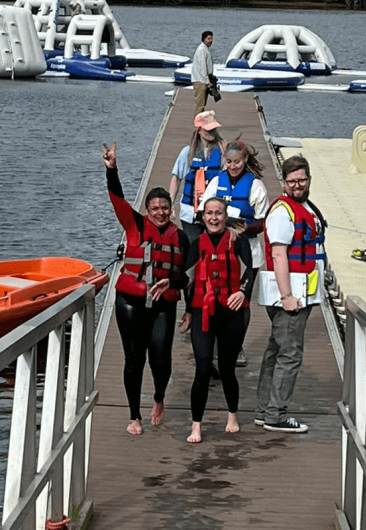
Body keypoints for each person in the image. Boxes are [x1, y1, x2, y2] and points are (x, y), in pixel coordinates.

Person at [102, 141, 190, 436]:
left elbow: (185, 279)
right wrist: (112, 169)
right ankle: (134, 415)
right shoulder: (134, 225)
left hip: (163, 303)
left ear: (171, 209)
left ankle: (159, 398)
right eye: (155, 209)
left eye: (165, 208)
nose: (160, 213)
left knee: (161, 359)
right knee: (134, 357)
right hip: (129, 300)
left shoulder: (181, 238)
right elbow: (116, 198)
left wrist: (179, 294)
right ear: (147, 210)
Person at [256, 155, 327, 433]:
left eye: (302, 180)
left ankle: (265, 410)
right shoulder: (283, 212)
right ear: (283, 182)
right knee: (290, 354)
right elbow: (278, 254)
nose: (297, 185)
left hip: (302, 292)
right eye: (292, 181)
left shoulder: (305, 206)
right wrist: (286, 296)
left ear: (309, 179)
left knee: (276, 350)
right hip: (290, 296)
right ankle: (276, 414)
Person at [181, 197, 255, 443]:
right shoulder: (195, 244)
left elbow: (250, 271)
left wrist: (242, 292)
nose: (214, 218)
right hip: (203, 312)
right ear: (203, 218)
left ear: (225, 217)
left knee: (227, 368)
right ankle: (196, 426)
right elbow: (186, 280)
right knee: (202, 369)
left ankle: (232, 415)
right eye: (209, 214)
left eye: (218, 214)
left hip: (231, 312)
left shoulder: (238, 241)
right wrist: (188, 310)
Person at [199, 138, 269, 367]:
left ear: (245, 160)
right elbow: (204, 213)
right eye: (228, 161)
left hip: (248, 254)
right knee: (216, 296)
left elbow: (263, 221)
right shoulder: (216, 181)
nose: (233, 166)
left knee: (241, 302)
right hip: (218, 252)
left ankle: (237, 346)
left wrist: (246, 228)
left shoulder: (255, 185)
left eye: (237, 161)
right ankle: (215, 346)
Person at [169, 110, 225, 242]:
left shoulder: (222, 152)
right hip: (189, 211)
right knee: (193, 247)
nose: (211, 132)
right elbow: (176, 178)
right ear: (199, 130)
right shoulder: (187, 152)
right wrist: (171, 203)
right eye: (207, 129)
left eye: (213, 129)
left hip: (213, 212)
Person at [191, 31, 214, 116]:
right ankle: (198, 125)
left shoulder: (205, 50)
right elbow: (202, 67)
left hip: (202, 80)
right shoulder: (201, 50)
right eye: (208, 38)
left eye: (211, 38)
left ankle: (201, 124)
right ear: (203, 39)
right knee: (200, 105)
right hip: (200, 81)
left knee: (202, 104)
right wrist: (207, 81)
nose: (210, 40)